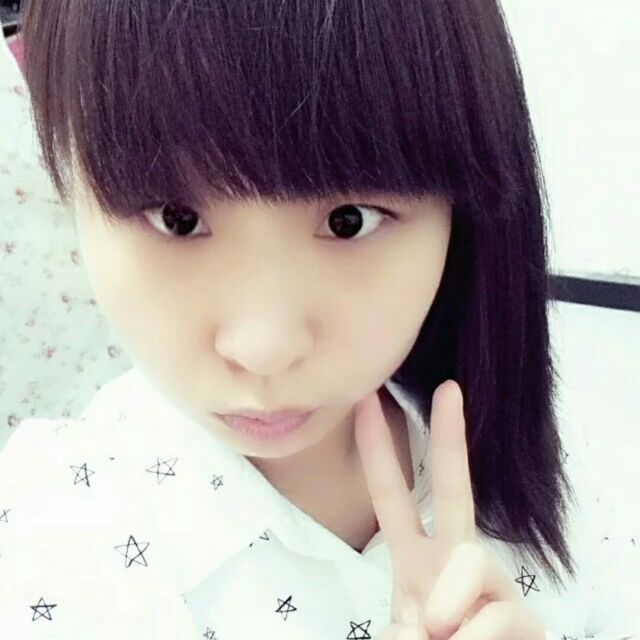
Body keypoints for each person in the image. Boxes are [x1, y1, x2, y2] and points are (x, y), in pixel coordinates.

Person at [0, 1, 637, 638]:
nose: (264, 347)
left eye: (347, 221)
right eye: (177, 218)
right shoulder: (51, 535)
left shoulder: (539, 452)